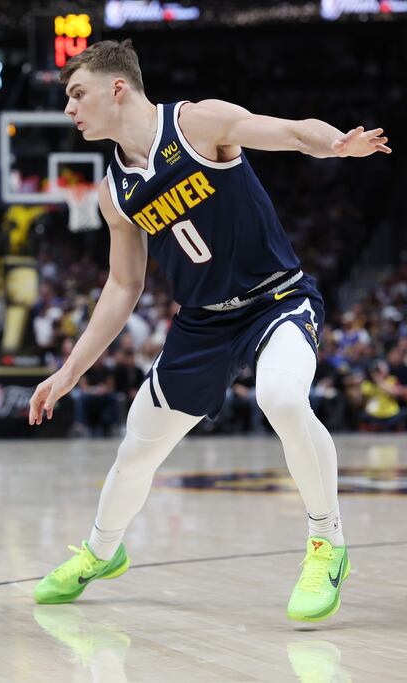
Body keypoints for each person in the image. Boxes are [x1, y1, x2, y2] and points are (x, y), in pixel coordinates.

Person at [28, 40, 390, 622]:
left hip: (275, 299)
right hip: (201, 325)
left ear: (117, 87)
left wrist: (337, 146)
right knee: (135, 451)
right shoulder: (113, 193)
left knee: (281, 397)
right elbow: (124, 287)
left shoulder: (197, 123)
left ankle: (328, 543)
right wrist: (70, 370)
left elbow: (293, 132)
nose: (69, 108)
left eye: (77, 93)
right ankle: (101, 552)